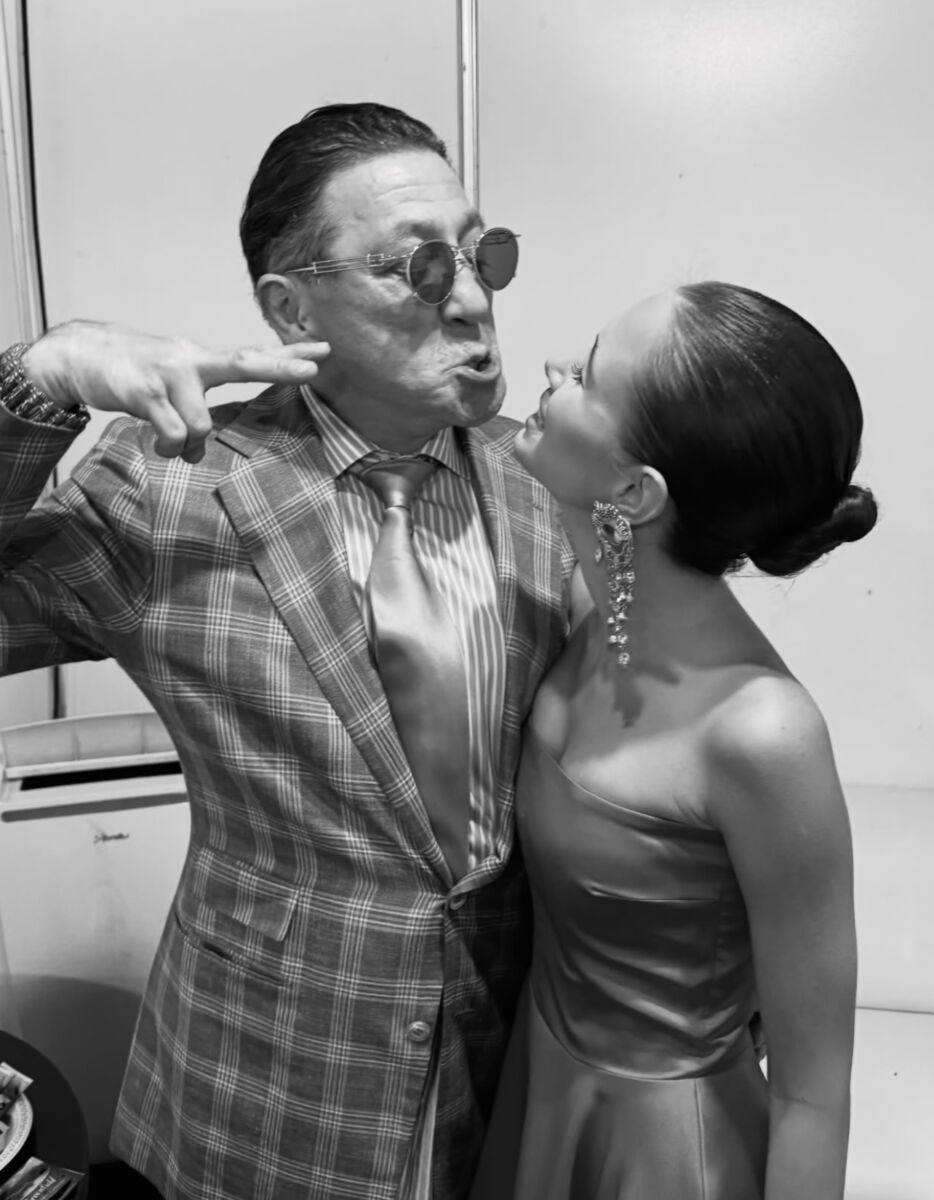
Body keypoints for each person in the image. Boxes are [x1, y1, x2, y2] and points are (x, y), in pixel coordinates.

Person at [0, 103, 575, 1200]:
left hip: (512, 1085)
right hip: (263, 1089)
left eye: (482, 253)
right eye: (418, 266)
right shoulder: (170, 487)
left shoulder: (551, 484)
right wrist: (42, 374)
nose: (471, 298)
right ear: (289, 306)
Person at [468, 281, 877, 1200]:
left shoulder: (762, 734)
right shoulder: (588, 612)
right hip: (540, 1090)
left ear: (633, 490)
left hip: (662, 1154)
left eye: (588, 371)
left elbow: (814, 1096)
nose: (554, 368)